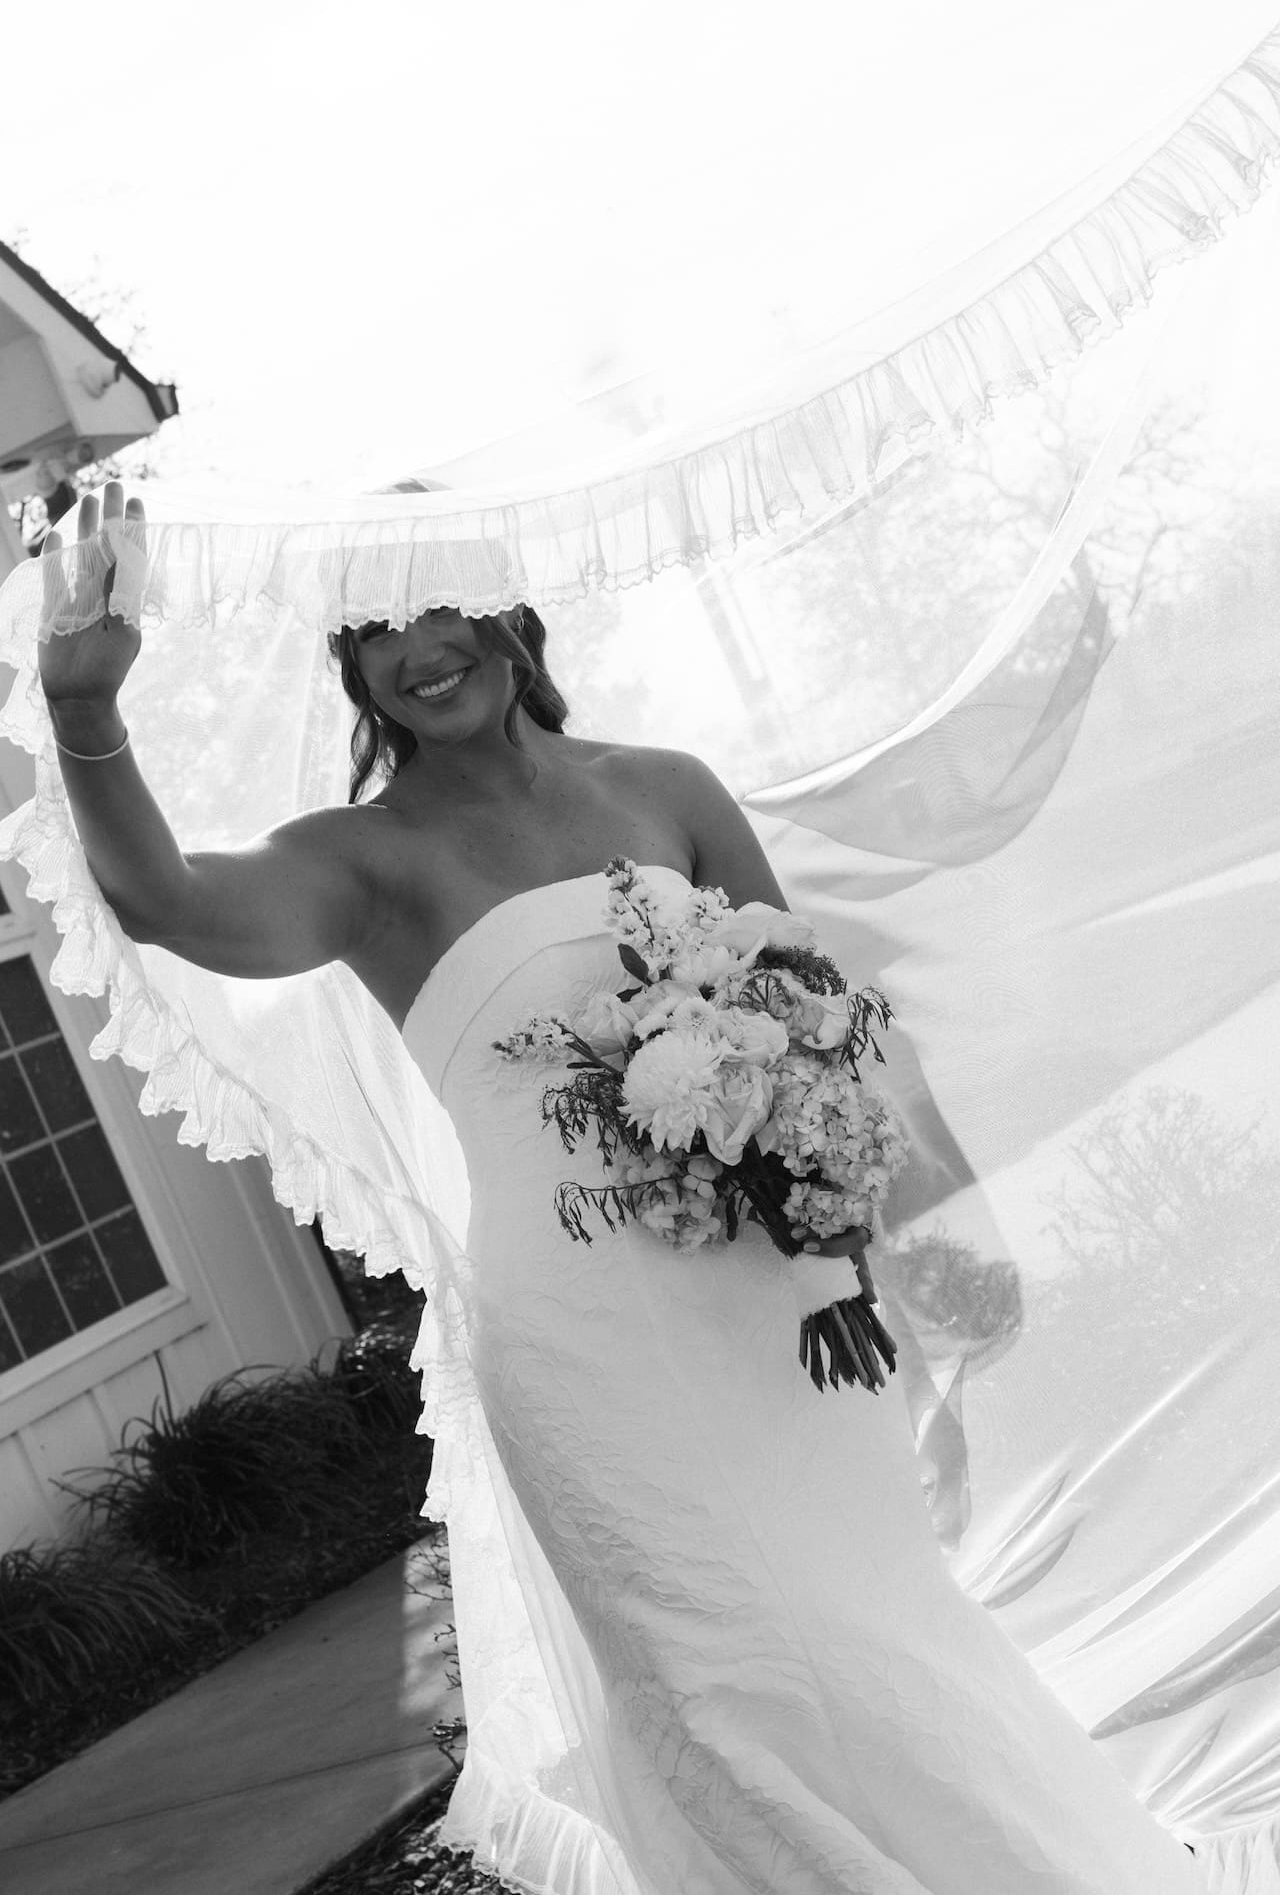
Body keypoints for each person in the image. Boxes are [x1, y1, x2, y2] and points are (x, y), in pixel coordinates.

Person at [36, 480, 1203, 1894]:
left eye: (440, 603)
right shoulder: (364, 861)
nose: (419, 647)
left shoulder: (668, 790)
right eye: (376, 630)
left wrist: (906, 1235)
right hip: (585, 1336)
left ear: (506, 612)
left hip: (771, 1306)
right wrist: (86, 712)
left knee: (872, 1623)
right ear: (352, 670)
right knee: (728, 1667)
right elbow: (165, 900)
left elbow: (821, 1016)